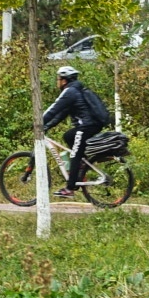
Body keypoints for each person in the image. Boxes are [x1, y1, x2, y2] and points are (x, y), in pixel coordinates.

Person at [41, 65, 112, 198]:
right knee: (68, 136)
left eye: (58, 79)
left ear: (64, 80)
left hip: (87, 126)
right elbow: (60, 114)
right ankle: (81, 165)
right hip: (88, 125)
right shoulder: (74, 91)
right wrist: (46, 126)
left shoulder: (70, 92)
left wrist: (39, 122)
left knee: (75, 154)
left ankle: (69, 188)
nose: (57, 82)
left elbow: (54, 109)